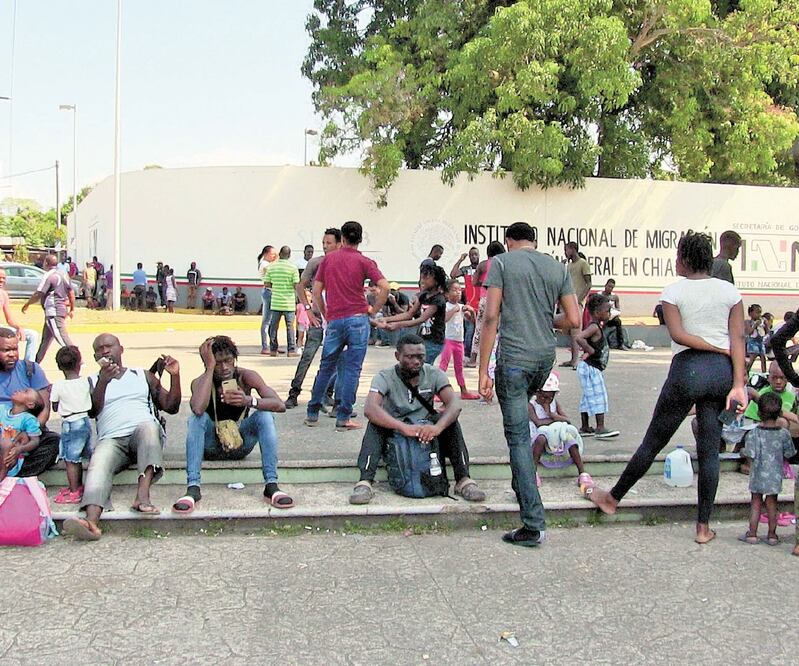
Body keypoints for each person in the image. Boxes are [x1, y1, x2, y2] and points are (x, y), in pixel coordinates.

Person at [586, 231, 747, 545]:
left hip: (687, 370)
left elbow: (679, 335)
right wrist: (738, 382)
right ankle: (703, 528)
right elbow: (737, 340)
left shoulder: (673, 292)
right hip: (721, 375)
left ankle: (612, 498)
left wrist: (714, 349)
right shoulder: (729, 292)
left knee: (654, 441)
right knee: (709, 449)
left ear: (685, 259)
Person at [478, 222, 580, 547]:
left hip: (514, 360)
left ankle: (532, 524)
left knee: (519, 437)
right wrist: (541, 318)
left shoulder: (502, 263)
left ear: (508, 241)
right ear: (534, 241)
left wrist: (482, 370)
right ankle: (521, 486)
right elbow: (574, 320)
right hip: (543, 361)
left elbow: (491, 316)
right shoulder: (556, 266)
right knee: (520, 421)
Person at [61, 334, 181, 541]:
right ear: (95, 355)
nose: (105, 351)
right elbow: (93, 411)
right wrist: (104, 382)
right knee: (98, 463)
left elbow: (171, 406)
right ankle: (91, 522)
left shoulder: (141, 375)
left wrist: (175, 376)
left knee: (148, 427)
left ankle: (142, 498)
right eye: (99, 349)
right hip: (112, 440)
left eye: (109, 346)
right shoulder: (90, 381)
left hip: (143, 436)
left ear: (121, 349)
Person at [348, 333, 485, 505]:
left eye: (420, 357)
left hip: (426, 430)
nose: (416, 362)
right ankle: (365, 482)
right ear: (397, 356)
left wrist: (438, 428)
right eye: (410, 357)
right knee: (375, 423)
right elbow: (370, 408)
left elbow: (454, 404)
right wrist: (402, 427)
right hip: (396, 432)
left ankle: (464, 480)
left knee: (451, 422)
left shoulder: (434, 374)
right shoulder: (384, 376)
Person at [172, 336, 292, 514]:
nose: (224, 367)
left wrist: (249, 401)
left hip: (240, 443)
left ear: (234, 359)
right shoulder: (201, 382)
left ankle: (271, 485)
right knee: (196, 419)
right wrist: (209, 369)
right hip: (211, 447)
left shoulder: (246, 376)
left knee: (264, 415)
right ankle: (193, 487)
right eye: (218, 363)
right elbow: (197, 408)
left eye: (228, 361)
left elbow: (279, 405)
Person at [305, 220, 389, 431]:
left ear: (342, 238)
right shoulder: (365, 262)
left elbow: (316, 292)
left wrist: (326, 313)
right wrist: (374, 309)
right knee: (352, 369)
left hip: (335, 320)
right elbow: (385, 287)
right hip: (358, 319)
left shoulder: (328, 260)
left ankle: (312, 412)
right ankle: (343, 416)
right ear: (359, 240)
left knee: (326, 367)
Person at [284, 228, 341, 409]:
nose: (325, 246)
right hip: (318, 316)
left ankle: (326, 393)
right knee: (308, 355)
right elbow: (300, 286)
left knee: (336, 359)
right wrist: (307, 308)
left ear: (339, 243)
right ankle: (294, 392)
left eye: (329, 243)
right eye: (323, 243)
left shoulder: (344, 263)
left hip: (337, 317)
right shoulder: (316, 263)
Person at [738, 393, 796, 546]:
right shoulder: (783, 434)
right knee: (772, 504)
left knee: (755, 502)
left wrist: (743, 452)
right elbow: (790, 453)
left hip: (757, 474)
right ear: (779, 414)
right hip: (775, 476)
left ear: (758, 413)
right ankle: (772, 535)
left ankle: (752, 533)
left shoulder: (753, 433)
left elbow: (749, 454)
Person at [0, 328, 59, 475]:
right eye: (6, 350)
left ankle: (15, 474)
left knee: (53, 441)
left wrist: (26, 434)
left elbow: (44, 410)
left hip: (27, 432)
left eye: (15, 349)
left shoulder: (31, 369)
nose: (12, 354)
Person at [529, 372, 592, 489]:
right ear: (537, 393)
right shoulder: (531, 405)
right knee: (541, 438)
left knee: (569, 438)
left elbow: (567, 420)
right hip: (539, 436)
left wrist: (551, 414)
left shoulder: (554, 404)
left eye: (550, 397)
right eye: (543, 396)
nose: (546, 400)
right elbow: (538, 423)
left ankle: (582, 472)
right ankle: (533, 471)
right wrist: (555, 421)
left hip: (555, 437)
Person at [376, 265, 447, 364]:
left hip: (434, 341)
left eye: (427, 278)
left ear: (436, 281)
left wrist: (398, 325)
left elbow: (421, 319)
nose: (423, 280)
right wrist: (387, 319)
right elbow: (409, 314)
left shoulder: (438, 299)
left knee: (422, 367)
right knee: (418, 367)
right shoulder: (423, 296)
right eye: (422, 277)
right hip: (423, 338)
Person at [50, 346, 93, 504]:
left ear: (59, 366)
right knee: (83, 454)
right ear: (79, 363)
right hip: (84, 422)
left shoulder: (58, 385)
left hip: (70, 423)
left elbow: (54, 406)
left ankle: (74, 491)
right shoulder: (86, 381)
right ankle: (81, 486)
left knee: (71, 459)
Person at [575, 293, 620, 439]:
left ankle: (585, 426)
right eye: (606, 310)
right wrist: (590, 350)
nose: (608, 313)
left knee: (588, 396)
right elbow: (579, 337)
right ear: (596, 313)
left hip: (590, 367)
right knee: (599, 396)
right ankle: (600, 427)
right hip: (591, 368)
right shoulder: (593, 327)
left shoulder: (597, 327)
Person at [21, 254, 75, 364]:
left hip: (53, 311)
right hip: (58, 310)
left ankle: (77, 359)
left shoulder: (49, 276)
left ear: (46, 263)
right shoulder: (63, 274)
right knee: (46, 340)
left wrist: (27, 304)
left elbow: (39, 293)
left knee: (61, 337)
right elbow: (71, 291)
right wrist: (72, 308)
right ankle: (36, 363)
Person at [438, 279, 479, 399]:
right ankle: (438, 391)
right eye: (454, 290)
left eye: (460, 290)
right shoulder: (445, 306)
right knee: (443, 365)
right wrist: (453, 310)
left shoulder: (461, 307)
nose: (458, 292)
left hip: (459, 341)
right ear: (446, 294)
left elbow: (473, 322)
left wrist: (472, 312)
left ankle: (464, 390)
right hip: (447, 340)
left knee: (459, 367)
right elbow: (443, 320)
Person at [466, 241, 505, 368]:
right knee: (499, 329)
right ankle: (497, 358)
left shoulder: (483, 265)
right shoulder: (504, 263)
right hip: (501, 298)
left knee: (479, 328)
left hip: (485, 298)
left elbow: (474, 282)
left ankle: (473, 359)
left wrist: (485, 283)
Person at [0, 388, 43, 481]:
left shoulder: (28, 419)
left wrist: (20, 449)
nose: (19, 390)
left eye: (25, 392)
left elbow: (35, 441)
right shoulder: (2, 409)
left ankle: (1, 475)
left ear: (30, 404)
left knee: (6, 443)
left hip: (10, 457)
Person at [561, 241, 592, 369]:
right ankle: (573, 359)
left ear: (573, 249)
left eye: (566, 250)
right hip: (568, 302)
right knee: (568, 331)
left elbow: (588, 283)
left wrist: (580, 299)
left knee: (576, 332)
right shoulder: (568, 266)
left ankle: (577, 359)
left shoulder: (583, 264)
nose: (565, 253)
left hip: (577, 302)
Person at [264, 246, 300, 356]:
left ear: (279, 254)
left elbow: (267, 283)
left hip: (276, 302)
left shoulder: (271, 267)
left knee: (273, 327)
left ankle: (273, 349)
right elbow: (296, 284)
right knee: (290, 327)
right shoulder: (293, 268)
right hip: (288, 303)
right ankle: (291, 350)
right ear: (289, 255)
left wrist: (276, 286)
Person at [0, 266, 39, 363]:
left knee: (32, 335)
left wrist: (19, 327)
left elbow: (9, 319)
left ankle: (28, 365)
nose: (2, 280)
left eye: (4, 278)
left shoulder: (4, 294)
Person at [450, 247, 481, 358]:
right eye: (471, 255)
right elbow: (453, 275)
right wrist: (460, 260)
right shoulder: (466, 269)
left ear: (479, 255)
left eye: (475, 254)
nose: (473, 257)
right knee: (469, 332)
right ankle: (468, 356)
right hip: (470, 305)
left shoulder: (482, 268)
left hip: (482, 305)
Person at [257, 245, 278, 354]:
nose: (274, 256)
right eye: (272, 254)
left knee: (272, 321)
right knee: (267, 320)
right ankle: (265, 346)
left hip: (272, 292)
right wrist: (278, 259)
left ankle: (272, 344)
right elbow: (272, 271)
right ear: (266, 254)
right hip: (268, 291)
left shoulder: (268, 263)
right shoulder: (264, 264)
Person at [601, 279, 630, 350]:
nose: (610, 289)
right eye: (609, 286)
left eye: (612, 287)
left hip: (611, 318)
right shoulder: (599, 295)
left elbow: (618, 309)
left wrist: (613, 312)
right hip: (601, 317)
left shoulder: (614, 297)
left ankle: (621, 344)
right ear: (605, 285)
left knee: (618, 321)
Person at [745, 303, 768, 373]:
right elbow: (749, 332)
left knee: (763, 358)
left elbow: (767, 332)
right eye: (757, 313)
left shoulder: (762, 321)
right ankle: (746, 372)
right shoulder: (748, 322)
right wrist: (755, 325)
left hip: (761, 341)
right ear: (750, 314)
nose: (759, 315)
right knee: (752, 358)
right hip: (753, 342)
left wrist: (765, 326)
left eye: (760, 313)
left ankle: (764, 373)